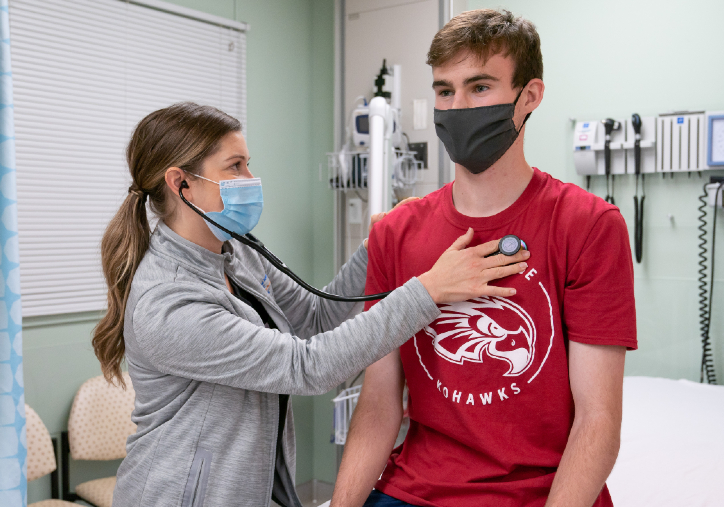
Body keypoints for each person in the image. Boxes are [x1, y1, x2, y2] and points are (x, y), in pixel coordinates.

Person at [92, 102, 530, 507]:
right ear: (180, 182)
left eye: (249, 164)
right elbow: (308, 366)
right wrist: (428, 291)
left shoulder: (234, 251)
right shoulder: (167, 302)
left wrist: (373, 247)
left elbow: (315, 317)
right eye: (235, 166)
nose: (250, 178)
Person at [331, 9, 637, 507]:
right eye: (444, 90)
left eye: (479, 87)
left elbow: (598, 420)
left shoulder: (588, 226)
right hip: (414, 491)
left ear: (529, 96)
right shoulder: (395, 233)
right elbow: (379, 405)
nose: (457, 106)